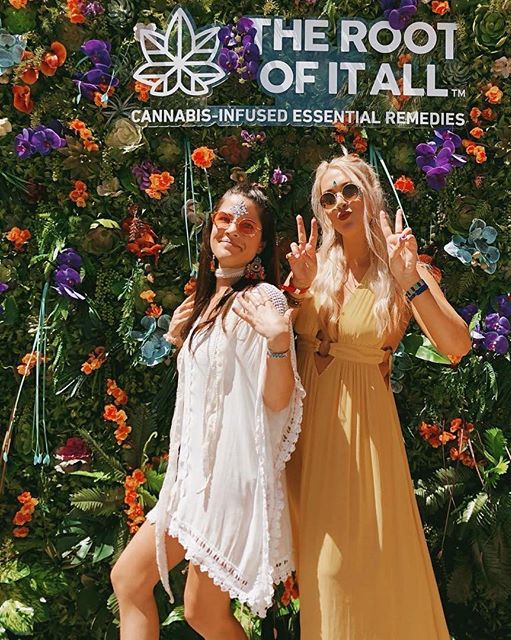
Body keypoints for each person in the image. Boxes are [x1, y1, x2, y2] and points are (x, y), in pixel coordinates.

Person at [283, 153, 471, 639]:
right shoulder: (313, 265)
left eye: (349, 190)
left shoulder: (400, 267)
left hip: (364, 432)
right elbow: (275, 340)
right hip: (305, 430)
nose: (340, 203)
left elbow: (456, 346)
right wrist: (298, 291)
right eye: (328, 197)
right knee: (318, 570)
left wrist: (410, 280)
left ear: (370, 195)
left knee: (360, 566)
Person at [110, 183, 305, 640]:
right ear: (210, 226)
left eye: (247, 225)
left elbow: (278, 401)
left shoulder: (263, 299)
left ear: (261, 243)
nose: (232, 229)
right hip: (194, 478)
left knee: (159, 593)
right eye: (224, 219)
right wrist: (184, 339)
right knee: (170, 598)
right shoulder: (205, 301)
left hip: (227, 481)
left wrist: (279, 343)